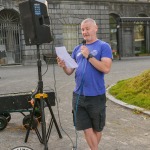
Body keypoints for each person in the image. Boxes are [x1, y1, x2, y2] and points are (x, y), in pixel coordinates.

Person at [57, 18, 112, 150]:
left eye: (87, 28)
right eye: (82, 29)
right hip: (79, 96)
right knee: (86, 129)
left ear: (95, 28)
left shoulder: (104, 46)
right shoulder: (78, 48)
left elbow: (106, 68)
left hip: (96, 96)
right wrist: (64, 65)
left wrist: (89, 56)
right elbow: (70, 71)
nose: (84, 32)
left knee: (97, 129)